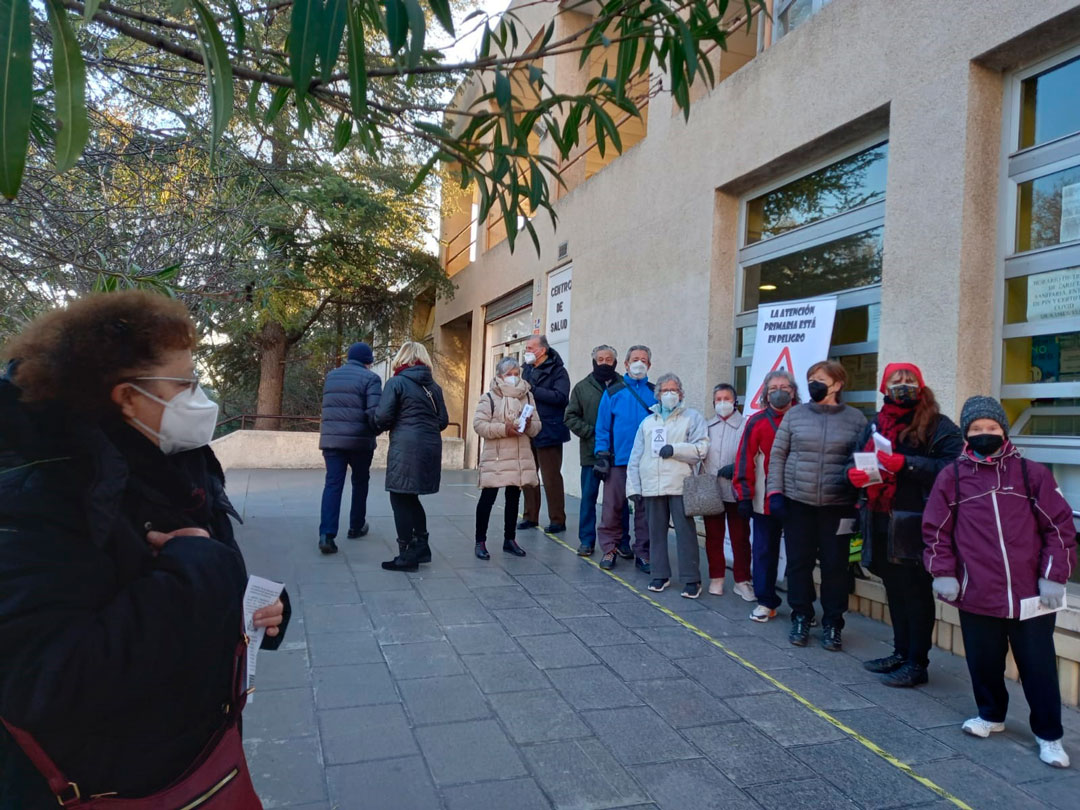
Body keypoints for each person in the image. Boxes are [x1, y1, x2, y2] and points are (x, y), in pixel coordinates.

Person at [0, 291, 288, 809]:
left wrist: (258, 613)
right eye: (184, 384)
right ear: (127, 398)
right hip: (116, 782)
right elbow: (45, 680)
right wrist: (198, 572)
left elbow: (205, 577)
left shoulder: (178, 463)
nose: (200, 398)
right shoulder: (40, 492)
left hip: (195, 761)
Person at [923, 396, 1076, 768]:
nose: (984, 434)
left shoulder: (1031, 473)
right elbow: (935, 531)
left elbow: (1059, 527)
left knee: (1037, 666)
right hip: (977, 592)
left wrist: (1053, 576)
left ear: (1003, 432)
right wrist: (943, 572)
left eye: (992, 428)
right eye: (976, 429)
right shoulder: (953, 476)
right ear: (966, 434)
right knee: (984, 661)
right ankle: (991, 715)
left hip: (1031, 596)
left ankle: (1049, 735)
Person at [847, 363, 962, 688]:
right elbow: (853, 460)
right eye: (896, 380)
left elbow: (954, 467)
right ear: (884, 388)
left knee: (916, 593)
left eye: (909, 379)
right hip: (880, 518)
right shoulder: (874, 424)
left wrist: (906, 464)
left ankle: (917, 662)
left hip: (918, 523)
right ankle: (901, 652)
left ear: (920, 385)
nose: (903, 384)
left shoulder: (937, 424)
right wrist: (853, 476)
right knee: (895, 589)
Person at [767, 360, 867, 651]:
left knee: (836, 567)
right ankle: (801, 615)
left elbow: (862, 460)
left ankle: (833, 623)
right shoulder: (795, 415)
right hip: (799, 502)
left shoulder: (856, 419)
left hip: (839, 506)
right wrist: (775, 492)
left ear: (837, 384)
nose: (813, 383)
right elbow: (778, 456)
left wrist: (860, 498)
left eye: (820, 379)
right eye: (811, 378)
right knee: (799, 564)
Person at [627, 374, 710, 599]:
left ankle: (691, 579)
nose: (670, 394)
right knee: (655, 533)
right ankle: (659, 574)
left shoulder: (691, 417)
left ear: (681, 393)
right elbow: (636, 456)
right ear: (658, 394)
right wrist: (633, 488)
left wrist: (675, 449)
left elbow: (702, 448)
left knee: (685, 533)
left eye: (674, 390)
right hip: (652, 485)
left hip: (680, 484)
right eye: (665, 390)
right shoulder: (648, 422)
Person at [376, 342, 450, 572]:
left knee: (399, 498)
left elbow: (383, 416)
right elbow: (443, 421)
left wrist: (374, 424)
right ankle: (422, 547)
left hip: (405, 447)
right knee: (411, 497)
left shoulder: (396, 382)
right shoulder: (433, 387)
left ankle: (406, 554)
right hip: (429, 447)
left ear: (403, 358)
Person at [733, 370, 799, 622]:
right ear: (765, 393)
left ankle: (801, 606)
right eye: (773, 388)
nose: (779, 391)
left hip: (797, 497)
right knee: (763, 551)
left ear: (793, 391)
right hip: (764, 499)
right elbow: (744, 460)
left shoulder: (804, 419)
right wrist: (744, 495)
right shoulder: (757, 421)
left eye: (784, 387)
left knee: (798, 555)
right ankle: (766, 601)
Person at [594, 345, 657, 572]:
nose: (639, 363)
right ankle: (609, 549)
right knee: (612, 508)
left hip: (647, 462)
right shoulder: (612, 392)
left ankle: (643, 553)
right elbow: (602, 427)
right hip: (618, 461)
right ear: (626, 365)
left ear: (649, 365)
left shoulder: (655, 392)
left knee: (644, 511)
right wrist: (601, 455)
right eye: (635, 359)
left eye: (644, 359)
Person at [564, 344, 630, 556]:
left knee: (621, 501)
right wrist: (592, 432)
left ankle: (622, 541)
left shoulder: (625, 385)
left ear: (615, 362)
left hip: (619, 455)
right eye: (600, 359)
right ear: (594, 362)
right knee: (589, 499)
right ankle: (586, 540)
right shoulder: (582, 387)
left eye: (608, 359)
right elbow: (570, 416)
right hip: (591, 454)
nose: (604, 363)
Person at [316, 341, 382, 554]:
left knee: (333, 484)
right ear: (368, 361)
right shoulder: (371, 378)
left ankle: (326, 534)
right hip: (359, 441)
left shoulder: (331, 376)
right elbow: (374, 412)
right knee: (360, 482)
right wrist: (376, 430)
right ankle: (356, 526)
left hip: (332, 440)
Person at [473, 357, 541, 559]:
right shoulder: (490, 397)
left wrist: (528, 426)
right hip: (496, 456)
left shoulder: (527, 396)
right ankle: (480, 541)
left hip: (519, 455)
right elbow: (479, 425)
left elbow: (537, 426)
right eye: (508, 374)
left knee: (514, 498)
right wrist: (504, 429)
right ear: (499, 376)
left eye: (516, 374)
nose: (513, 378)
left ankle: (509, 539)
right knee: (488, 498)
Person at [703, 383, 752, 598]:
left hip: (736, 491)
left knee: (740, 538)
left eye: (727, 398)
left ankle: (742, 580)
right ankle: (717, 577)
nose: (722, 403)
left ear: (735, 401)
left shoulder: (746, 425)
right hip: (712, 491)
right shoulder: (706, 426)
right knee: (713, 537)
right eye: (718, 399)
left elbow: (753, 454)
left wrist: (738, 468)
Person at [519, 335, 571, 533]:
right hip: (527, 427)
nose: (527, 351)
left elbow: (560, 397)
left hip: (549, 429)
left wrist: (533, 390)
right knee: (529, 475)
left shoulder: (558, 371)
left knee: (551, 477)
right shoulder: (526, 369)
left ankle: (557, 519)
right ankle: (530, 516)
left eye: (530, 347)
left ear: (542, 350)